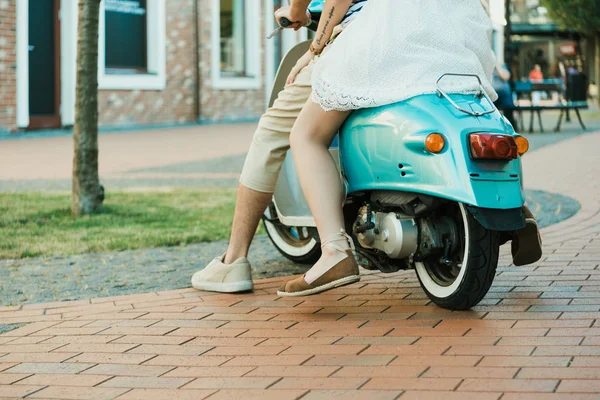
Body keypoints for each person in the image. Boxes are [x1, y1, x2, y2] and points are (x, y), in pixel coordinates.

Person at [277, 0, 542, 296]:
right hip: (462, 30)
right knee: (468, 113)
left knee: (306, 135)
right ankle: (511, 205)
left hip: (396, 28)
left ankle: (334, 251)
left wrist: (313, 48)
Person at [190, 0, 367, 293]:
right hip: (431, 41)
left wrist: (305, 31)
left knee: (273, 133)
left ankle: (233, 261)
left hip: (355, 40)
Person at [493, 60, 518, 129]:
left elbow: (506, 77)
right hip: (492, 94)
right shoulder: (486, 67)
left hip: (504, 93)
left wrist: (497, 65)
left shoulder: (502, 66)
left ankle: (511, 127)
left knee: (508, 105)